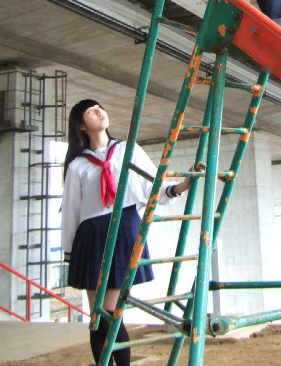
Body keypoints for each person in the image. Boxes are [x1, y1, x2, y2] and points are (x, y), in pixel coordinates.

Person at [61, 99, 191, 366]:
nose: (100, 111)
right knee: (97, 318)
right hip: (91, 237)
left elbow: (152, 184)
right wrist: (70, 253)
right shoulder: (77, 166)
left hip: (123, 229)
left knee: (110, 312)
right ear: (81, 126)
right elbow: (71, 212)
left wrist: (180, 187)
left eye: (100, 107)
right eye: (90, 111)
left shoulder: (127, 150)